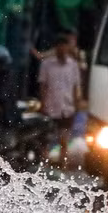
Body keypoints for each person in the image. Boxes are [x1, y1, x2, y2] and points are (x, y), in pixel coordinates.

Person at [37, 30, 83, 167]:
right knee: (46, 139)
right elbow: (43, 86)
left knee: (64, 139)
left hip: (67, 108)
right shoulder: (46, 65)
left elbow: (76, 87)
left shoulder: (73, 65)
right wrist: (43, 104)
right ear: (55, 47)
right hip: (51, 107)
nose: (62, 49)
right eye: (59, 46)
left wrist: (76, 105)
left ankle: (63, 164)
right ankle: (44, 165)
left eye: (64, 46)